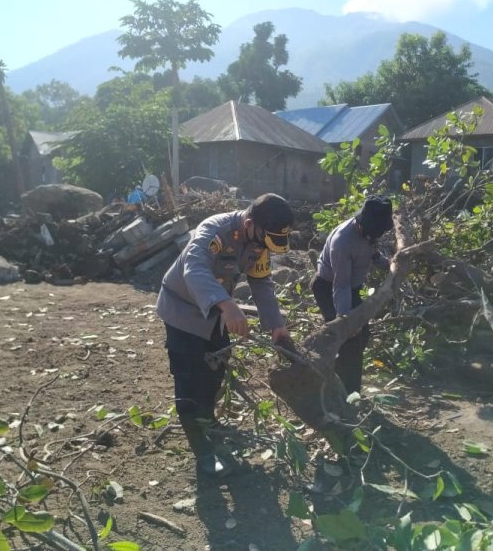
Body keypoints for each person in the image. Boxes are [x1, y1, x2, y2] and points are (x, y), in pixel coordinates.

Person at [156, 193, 295, 476]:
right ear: (248, 224)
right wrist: (228, 306)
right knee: (189, 380)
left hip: (214, 313)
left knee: (216, 368)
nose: (262, 247)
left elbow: (261, 283)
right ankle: (203, 455)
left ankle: (207, 420)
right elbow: (193, 269)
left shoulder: (259, 241)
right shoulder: (214, 231)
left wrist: (276, 326)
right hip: (183, 310)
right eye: (262, 239)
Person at [311, 195, 393, 395]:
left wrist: (390, 264)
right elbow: (341, 285)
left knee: (363, 335)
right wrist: (345, 319)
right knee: (349, 341)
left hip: (350, 288)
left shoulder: (369, 233)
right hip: (329, 288)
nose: (378, 236)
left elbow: (373, 254)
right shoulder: (343, 242)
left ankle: (337, 374)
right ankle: (347, 395)